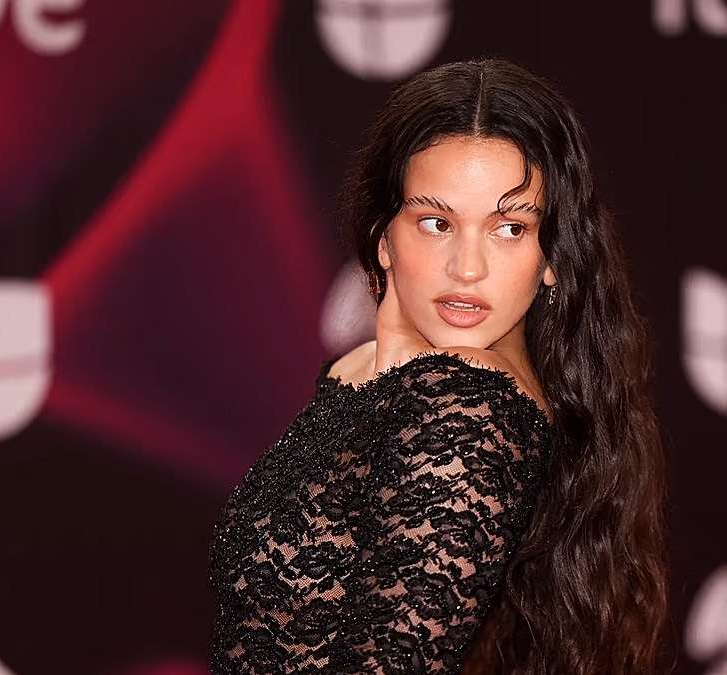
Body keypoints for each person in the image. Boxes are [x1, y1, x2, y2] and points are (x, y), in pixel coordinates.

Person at [209, 58, 669, 675]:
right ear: (384, 239)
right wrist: (397, 374)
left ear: (552, 256)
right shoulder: (367, 372)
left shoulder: (466, 408)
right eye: (436, 223)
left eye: (509, 228)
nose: (467, 267)